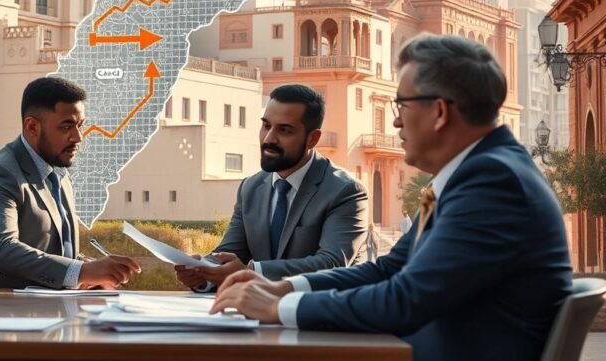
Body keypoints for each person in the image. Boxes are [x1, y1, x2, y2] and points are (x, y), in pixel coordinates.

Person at [211, 35, 572, 361]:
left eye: (401, 106)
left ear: (440, 112)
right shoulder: (467, 175)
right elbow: (389, 268)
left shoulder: (492, 181)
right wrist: (284, 287)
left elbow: (405, 299)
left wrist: (283, 307)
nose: (396, 123)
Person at [0, 77, 141, 289]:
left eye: (80, 126)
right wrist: (81, 271)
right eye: (66, 127)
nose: (78, 137)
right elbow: (3, 249)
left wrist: (84, 271)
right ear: (32, 127)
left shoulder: (58, 174)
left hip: (34, 310)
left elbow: (50, 250)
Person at [175, 84, 368, 291]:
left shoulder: (345, 191)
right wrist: (202, 272)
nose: (268, 139)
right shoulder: (250, 187)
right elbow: (230, 254)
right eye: (266, 126)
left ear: (312, 138)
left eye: (284, 130)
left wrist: (253, 272)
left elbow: (331, 264)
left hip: (322, 317)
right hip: (259, 314)